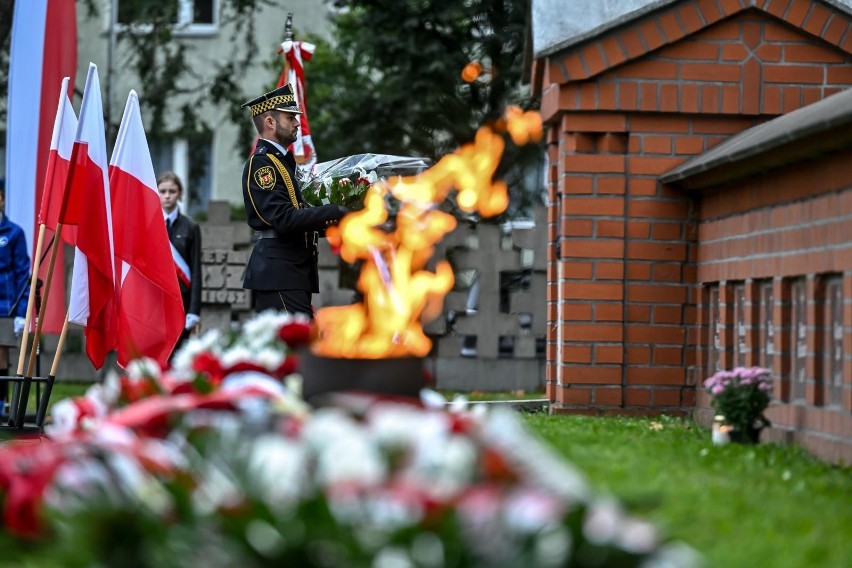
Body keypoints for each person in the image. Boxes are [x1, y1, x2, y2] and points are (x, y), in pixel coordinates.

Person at [240, 84, 348, 317]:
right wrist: (333, 211)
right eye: (290, 118)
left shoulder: (281, 163)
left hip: (291, 272)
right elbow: (283, 219)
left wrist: (343, 221)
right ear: (270, 122)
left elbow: (297, 219)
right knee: (294, 347)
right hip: (279, 272)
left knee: (294, 348)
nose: (297, 123)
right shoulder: (262, 164)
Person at [158, 172, 201, 351]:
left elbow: (196, 269)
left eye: (172, 191)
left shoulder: (190, 227)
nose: (167, 196)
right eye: (162, 191)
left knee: (177, 351)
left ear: (180, 194)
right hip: (156, 299)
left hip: (181, 299)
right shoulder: (150, 224)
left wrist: (194, 310)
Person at [0, 186, 30, 408]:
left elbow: (22, 273)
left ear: (2, 201)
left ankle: (1, 403)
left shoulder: (14, 233)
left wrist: (22, 311)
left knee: (0, 355)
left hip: (5, 306)